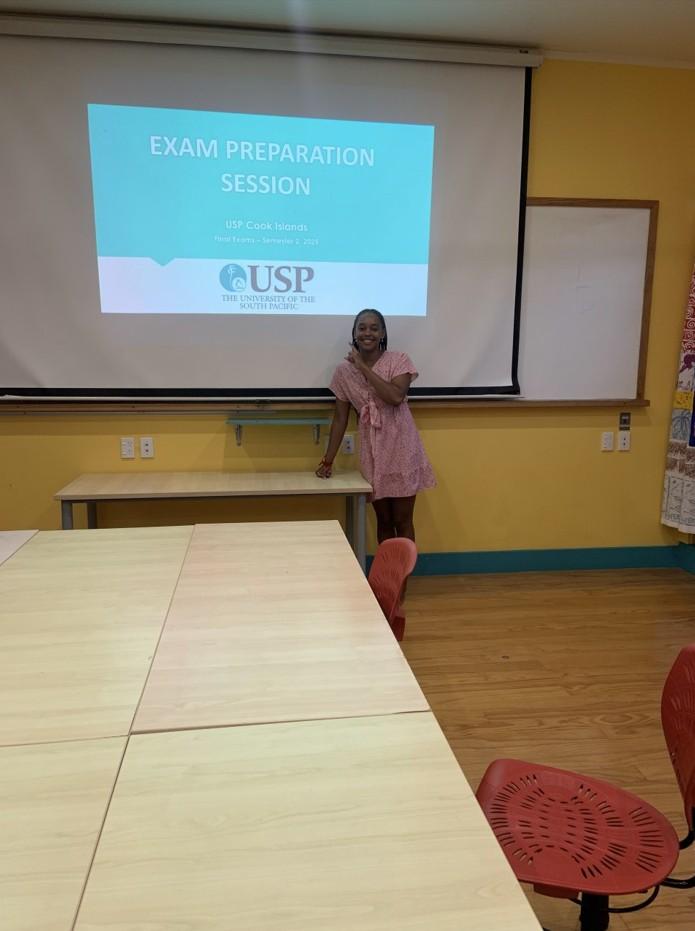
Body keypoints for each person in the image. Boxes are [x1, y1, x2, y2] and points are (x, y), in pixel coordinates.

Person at [316, 308, 435, 542]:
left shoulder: (399, 360)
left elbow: (395, 397)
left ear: (382, 333)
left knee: (402, 520)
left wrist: (362, 366)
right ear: (354, 333)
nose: (367, 333)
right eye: (361, 328)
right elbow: (340, 419)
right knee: (384, 520)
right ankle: (386, 568)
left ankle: (403, 568)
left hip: (401, 447)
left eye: (373, 328)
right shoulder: (343, 372)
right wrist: (328, 460)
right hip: (372, 452)